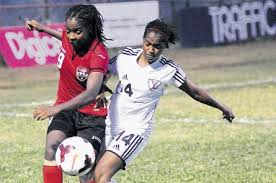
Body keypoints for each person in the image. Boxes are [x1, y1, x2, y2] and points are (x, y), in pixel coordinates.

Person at [93, 19, 235, 183]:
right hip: (110, 124)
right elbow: (102, 71)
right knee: (93, 175)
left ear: (164, 46)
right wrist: (100, 87)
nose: (151, 50)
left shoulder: (169, 69)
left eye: (157, 46)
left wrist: (221, 107)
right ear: (143, 40)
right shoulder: (126, 56)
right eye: (148, 44)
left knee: (102, 174)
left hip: (135, 130)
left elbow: (195, 92)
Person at [26, 4, 110, 183]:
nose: (71, 37)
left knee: (84, 166)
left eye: (77, 32)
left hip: (91, 116)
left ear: (90, 29)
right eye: (68, 31)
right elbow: (62, 36)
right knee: (51, 149)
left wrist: (55, 109)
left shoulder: (98, 53)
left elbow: (90, 93)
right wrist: (42, 29)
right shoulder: (70, 38)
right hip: (66, 111)